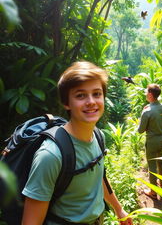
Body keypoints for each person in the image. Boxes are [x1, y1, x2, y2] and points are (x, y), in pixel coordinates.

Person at [22, 61, 133, 225]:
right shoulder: (51, 155)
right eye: (80, 95)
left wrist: (118, 209)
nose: (91, 102)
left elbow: (98, 177)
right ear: (66, 103)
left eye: (97, 94)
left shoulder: (98, 136)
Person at [138, 84, 162, 199]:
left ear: (150, 94)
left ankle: (153, 192)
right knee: (160, 161)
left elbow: (140, 130)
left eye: (146, 92)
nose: (146, 93)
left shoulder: (147, 111)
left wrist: (143, 114)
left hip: (152, 141)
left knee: (152, 166)